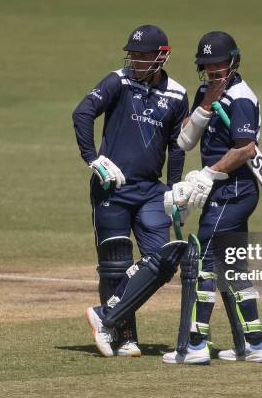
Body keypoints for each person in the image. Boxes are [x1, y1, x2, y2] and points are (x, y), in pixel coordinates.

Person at [72, 24, 188, 357]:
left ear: (161, 57)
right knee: (114, 265)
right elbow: (82, 113)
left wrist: (175, 187)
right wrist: (93, 159)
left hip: (152, 191)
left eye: (142, 55)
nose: (135, 61)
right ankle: (123, 335)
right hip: (113, 188)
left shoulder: (178, 95)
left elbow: (177, 145)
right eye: (132, 55)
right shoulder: (117, 81)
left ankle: (105, 315)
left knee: (164, 260)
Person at [162, 31, 262, 364]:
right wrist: (206, 104)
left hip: (234, 190)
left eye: (219, 63)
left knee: (204, 261)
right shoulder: (206, 91)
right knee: (235, 267)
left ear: (233, 61)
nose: (213, 70)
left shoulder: (240, 97)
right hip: (222, 191)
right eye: (207, 65)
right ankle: (254, 345)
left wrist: (208, 174)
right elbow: (184, 141)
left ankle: (196, 345)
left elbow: (245, 149)